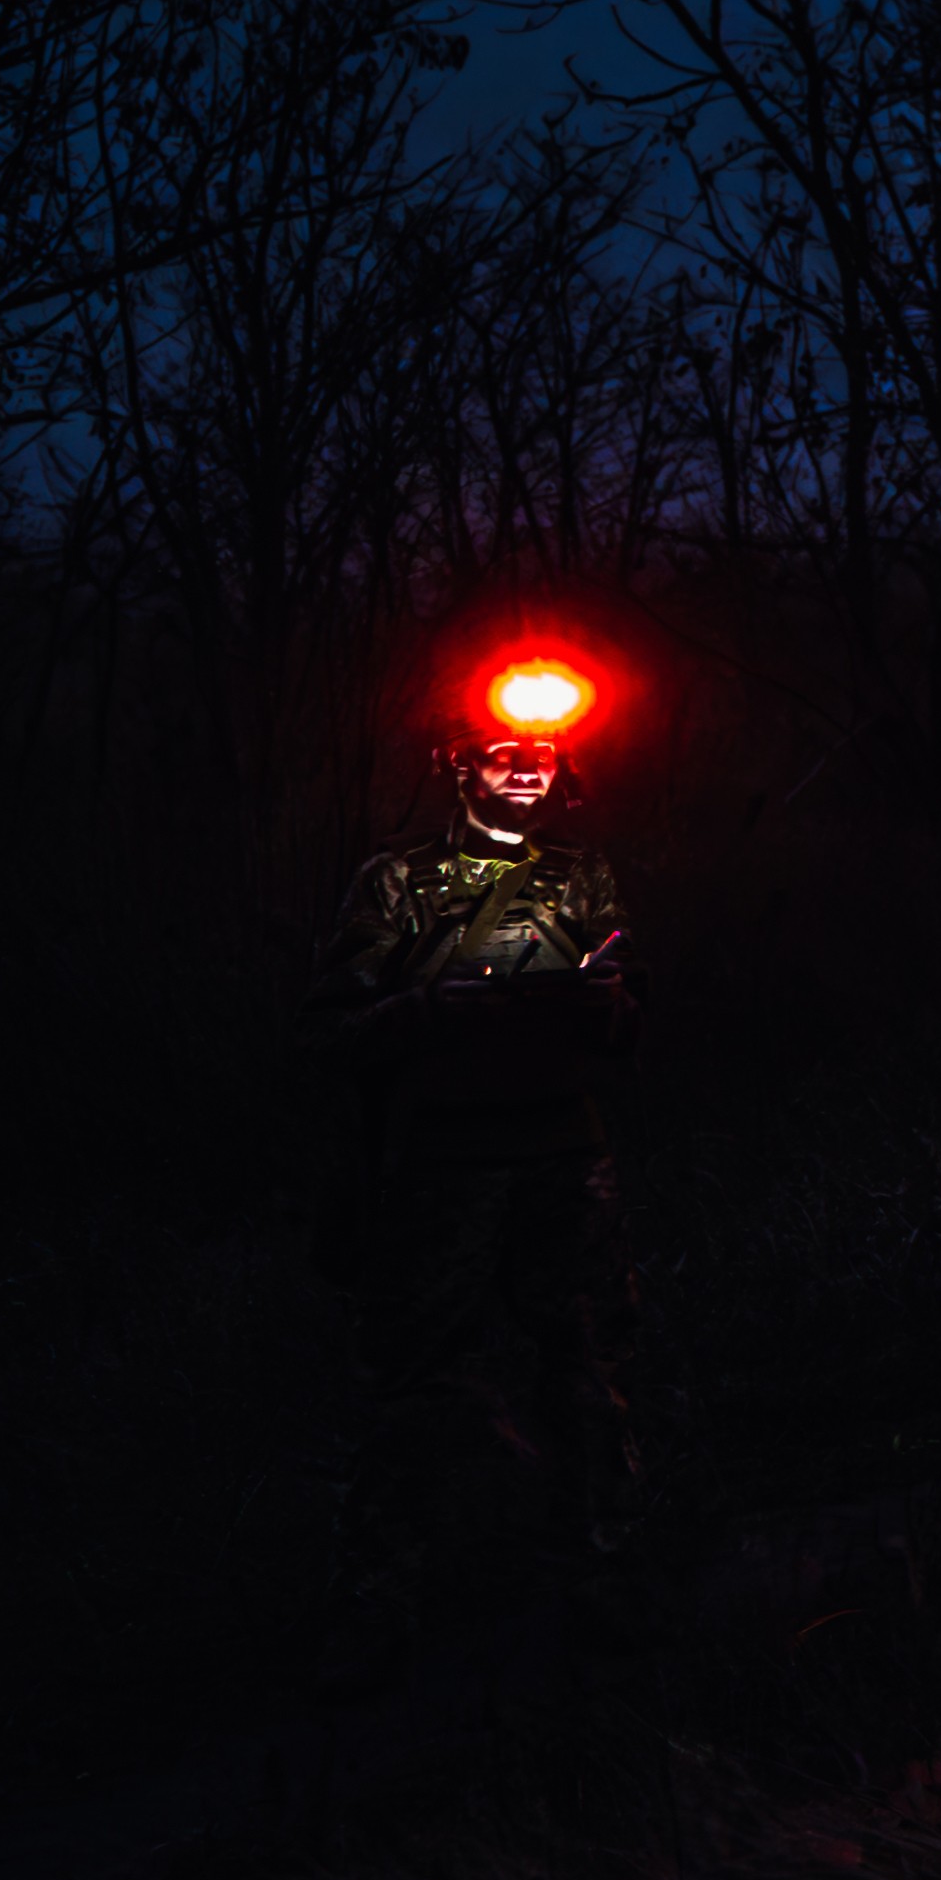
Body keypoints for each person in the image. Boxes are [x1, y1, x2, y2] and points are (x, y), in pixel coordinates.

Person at [308, 647, 639, 1671]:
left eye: (542, 752)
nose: (526, 767)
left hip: (561, 1154)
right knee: (415, 1379)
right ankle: (385, 1603)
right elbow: (334, 1028)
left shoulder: (582, 873)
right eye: (504, 752)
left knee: (580, 1362)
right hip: (443, 1165)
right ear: (462, 763)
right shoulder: (398, 880)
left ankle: (594, 1574)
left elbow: (624, 1016)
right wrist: (430, 1008)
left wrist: (601, 1004)